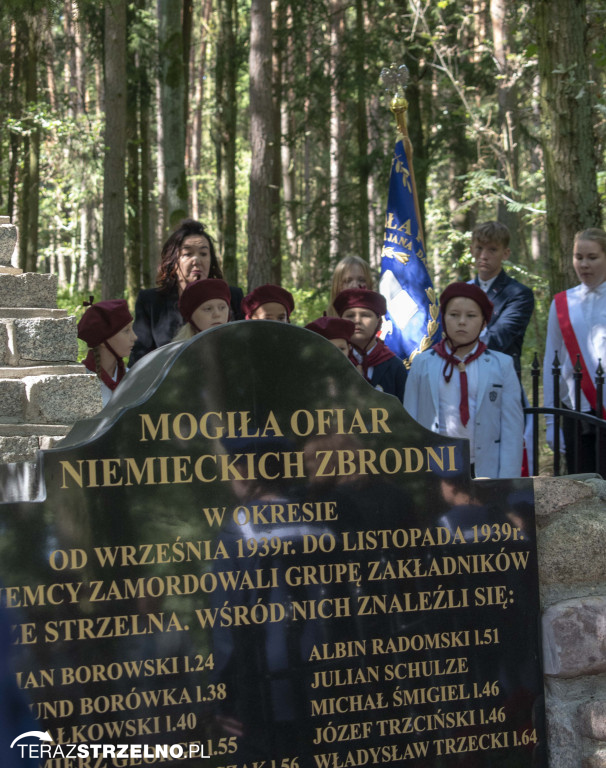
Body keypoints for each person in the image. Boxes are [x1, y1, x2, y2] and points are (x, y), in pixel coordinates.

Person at [404, 282, 523, 479]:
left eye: (471, 316)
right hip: (435, 469)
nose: (461, 321)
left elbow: (512, 429)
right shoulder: (423, 364)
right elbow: (410, 423)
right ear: (442, 318)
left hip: (487, 469)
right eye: (454, 314)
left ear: (484, 322)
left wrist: (508, 481)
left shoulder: (502, 365)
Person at [129, 219, 243, 365]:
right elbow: (139, 359)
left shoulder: (233, 297)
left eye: (203, 253)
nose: (196, 260)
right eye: (188, 254)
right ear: (173, 262)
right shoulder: (151, 301)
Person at [543, 227, 606, 474]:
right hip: (575, 411)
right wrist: (551, 421)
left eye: (592, 257)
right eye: (579, 257)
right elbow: (551, 362)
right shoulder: (561, 303)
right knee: (582, 489)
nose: (584, 264)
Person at [470, 221, 534, 373]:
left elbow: (498, 339)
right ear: (471, 250)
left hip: (501, 377)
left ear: (505, 254)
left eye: (492, 250)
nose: (484, 256)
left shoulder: (519, 294)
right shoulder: (462, 292)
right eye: (479, 248)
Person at [333, 287, 406, 401]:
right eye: (350, 315)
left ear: (379, 322)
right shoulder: (333, 362)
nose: (357, 320)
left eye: (365, 315)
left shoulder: (395, 366)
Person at [77, 298, 136, 407]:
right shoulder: (80, 382)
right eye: (126, 331)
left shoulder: (132, 377)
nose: (134, 337)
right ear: (103, 341)